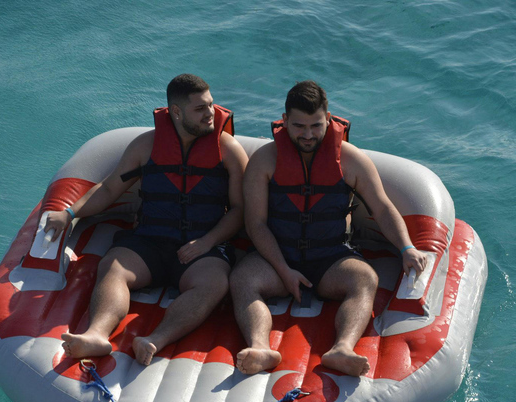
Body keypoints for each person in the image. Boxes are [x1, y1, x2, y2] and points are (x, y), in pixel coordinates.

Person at [45, 74, 247, 365]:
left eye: (211, 105)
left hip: (202, 247)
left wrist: (207, 242)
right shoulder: (146, 146)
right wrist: (70, 213)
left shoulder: (228, 150)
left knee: (214, 283)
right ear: (176, 112)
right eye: (200, 108)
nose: (210, 114)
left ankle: (154, 340)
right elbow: (110, 187)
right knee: (112, 268)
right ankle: (96, 335)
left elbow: (240, 209)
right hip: (149, 241)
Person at [230, 80, 427, 377]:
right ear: (284, 121)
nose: (308, 135)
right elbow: (255, 224)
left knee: (365, 279)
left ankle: (342, 349)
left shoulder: (350, 159)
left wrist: (406, 247)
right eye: (299, 126)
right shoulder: (265, 160)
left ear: (329, 119)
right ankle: (260, 348)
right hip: (277, 256)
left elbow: (382, 207)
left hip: (330, 257)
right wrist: (284, 270)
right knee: (242, 278)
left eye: (316, 126)